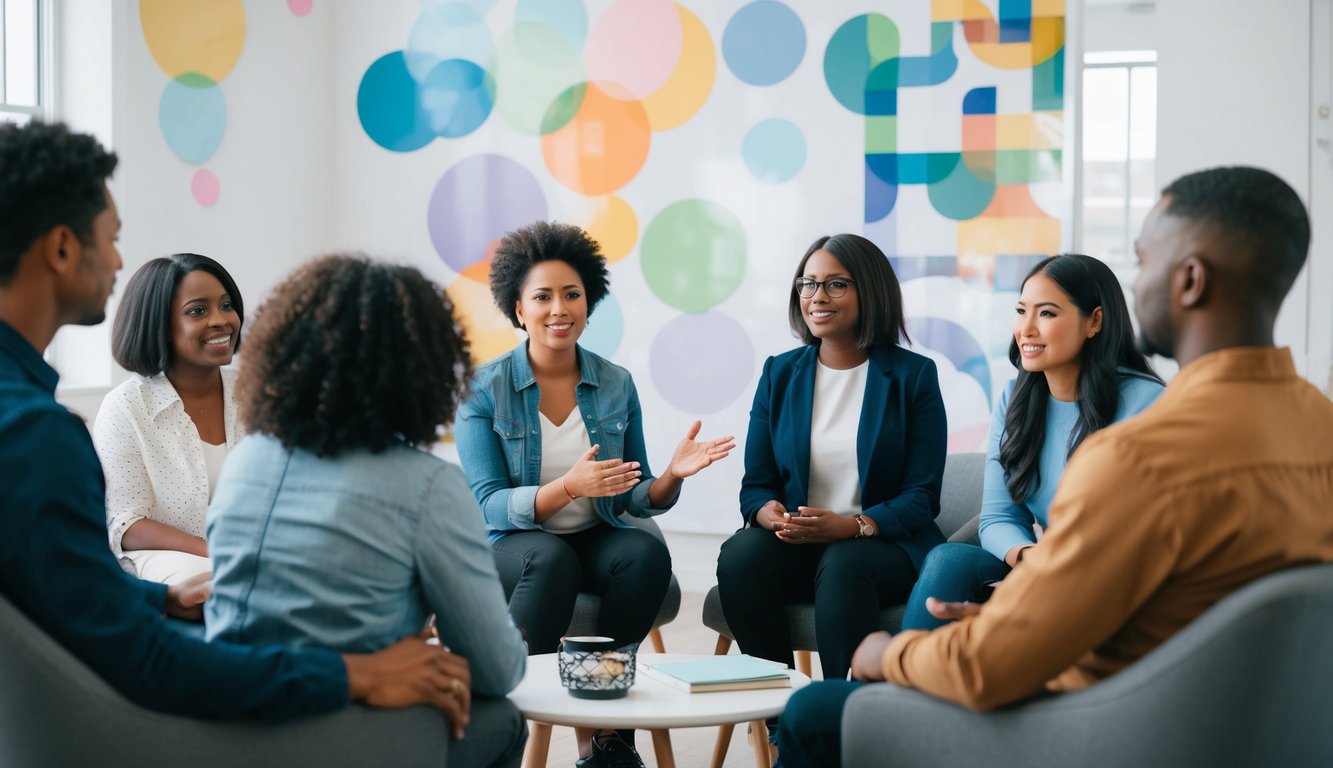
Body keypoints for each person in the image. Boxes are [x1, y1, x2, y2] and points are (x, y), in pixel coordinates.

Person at [776, 167, 1333, 767]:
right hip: (1247, 726)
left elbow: (990, 671)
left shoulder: (1136, 453)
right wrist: (1022, 615)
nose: (1137, 281)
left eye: (1145, 261)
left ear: (1190, 279)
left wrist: (891, 655)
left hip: (1107, 729)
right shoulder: (1319, 425)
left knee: (816, 711)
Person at [0, 120, 472, 724]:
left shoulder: (25, 418)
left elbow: (70, 593)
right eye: (111, 238)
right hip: (98, 735)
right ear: (63, 247)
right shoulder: (36, 435)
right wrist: (356, 674)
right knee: (489, 725)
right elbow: (152, 665)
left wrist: (162, 600)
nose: (120, 260)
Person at [206, 255, 528, 767]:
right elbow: (496, 670)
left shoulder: (246, 458)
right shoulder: (428, 485)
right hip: (340, 732)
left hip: (224, 724)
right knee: (503, 720)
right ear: (421, 369)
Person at [455, 220, 734, 768]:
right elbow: (488, 504)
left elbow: (633, 497)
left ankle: (606, 734)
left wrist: (672, 475)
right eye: (543, 296)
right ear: (518, 310)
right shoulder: (482, 391)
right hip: (514, 544)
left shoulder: (615, 383)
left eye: (572, 294)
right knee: (550, 557)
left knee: (644, 550)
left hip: (593, 537)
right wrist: (566, 487)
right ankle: (505, 716)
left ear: (589, 302)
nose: (559, 308)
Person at [715, 232, 948, 691]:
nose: (817, 297)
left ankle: (842, 715)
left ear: (870, 290)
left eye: (836, 284)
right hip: (799, 548)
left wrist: (853, 526)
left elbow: (922, 496)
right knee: (741, 555)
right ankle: (780, 713)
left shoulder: (913, 376)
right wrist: (769, 513)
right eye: (808, 283)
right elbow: (756, 485)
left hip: (880, 549)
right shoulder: (779, 373)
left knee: (843, 563)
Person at [899, 253, 1163, 630]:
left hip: (1109, 576)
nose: (1026, 328)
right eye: (1022, 311)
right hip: (1044, 564)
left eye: (1047, 313)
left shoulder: (1146, 403)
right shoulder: (1016, 398)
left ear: (1095, 321)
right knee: (949, 559)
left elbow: (1143, 530)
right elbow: (999, 516)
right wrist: (1027, 556)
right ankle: (897, 682)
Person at [94, 253, 244, 585]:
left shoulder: (255, 393)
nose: (221, 320)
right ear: (158, 324)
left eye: (227, 305)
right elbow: (126, 523)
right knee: (218, 583)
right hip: (166, 558)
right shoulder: (125, 407)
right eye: (198, 311)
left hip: (247, 554)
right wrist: (216, 552)